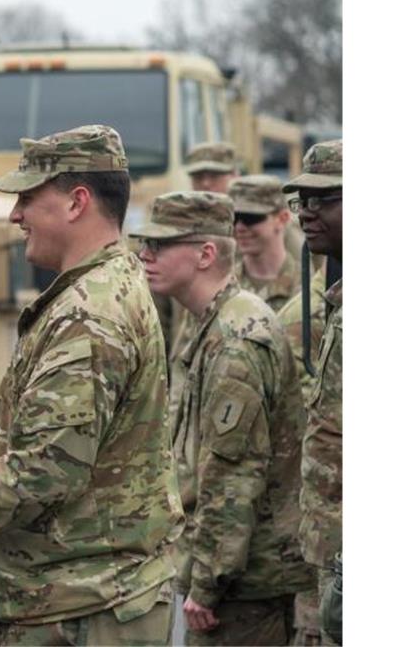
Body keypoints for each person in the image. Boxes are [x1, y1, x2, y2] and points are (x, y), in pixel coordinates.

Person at [0, 125, 184, 646]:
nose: (15, 215)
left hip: (84, 610)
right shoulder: (106, 288)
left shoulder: (88, 313)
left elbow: (42, 472)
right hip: (91, 600)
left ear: (77, 202)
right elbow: (50, 447)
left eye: (28, 198)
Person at [131, 191, 314, 645]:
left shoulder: (236, 338)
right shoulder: (215, 322)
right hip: (243, 572)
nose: (144, 255)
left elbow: (234, 476)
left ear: (205, 254)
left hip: (247, 581)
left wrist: (209, 582)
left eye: (160, 246)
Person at [281, 140, 343, 643]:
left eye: (326, 199)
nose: (308, 212)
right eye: (303, 200)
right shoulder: (329, 295)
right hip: (327, 548)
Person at [228, 174, 299, 312]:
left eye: (250, 218)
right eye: (234, 218)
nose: (239, 227)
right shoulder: (220, 287)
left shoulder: (306, 287)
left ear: (282, 219)